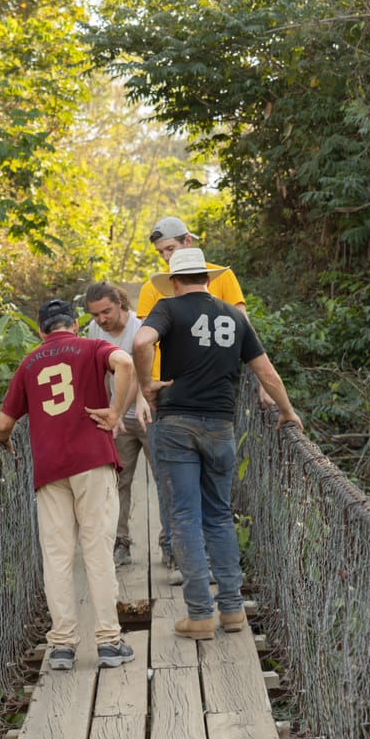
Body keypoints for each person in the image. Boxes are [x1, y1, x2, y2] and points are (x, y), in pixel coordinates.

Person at [133, 248, 303, 640]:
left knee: (185, 517)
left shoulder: (167, 308)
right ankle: (232, 610)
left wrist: (146, 385)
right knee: (220, 515)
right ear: (208, 279)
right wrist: (287, 411)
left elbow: (142, 342)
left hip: (176, 424)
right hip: (221, 426)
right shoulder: (235, 316)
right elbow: (267, 373)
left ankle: (199, 615)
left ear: (174, 282)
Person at [0, 298, 135, 671]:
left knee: (56, 557)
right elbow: (125, 363)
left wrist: (1, 441)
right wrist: (116, 412)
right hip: (93, 462)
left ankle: (63, 646)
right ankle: (109, 641)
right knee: (97, 551)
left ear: (41, 331)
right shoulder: (93, 347)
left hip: (50, 470)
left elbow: (3, 424)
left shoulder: (29, 363)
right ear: (76, 325)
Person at [136, 215, 273, 582]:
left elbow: (245, 330)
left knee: (202, 491)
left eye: (170, 249)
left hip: (212, 393)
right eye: (160, 252)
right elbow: (144, 343)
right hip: (166, 397)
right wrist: (143, 391)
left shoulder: (222, 277)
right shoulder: (153, 287)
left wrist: (263, 382)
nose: (166, 257)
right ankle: (180, 556)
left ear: (188, 241)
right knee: (173, 486)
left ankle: (205, 565)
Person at [85, 281, 153, 568]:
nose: (102, 319)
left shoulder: (141, 328)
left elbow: (139, 374)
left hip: (148, 414)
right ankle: (120, 542)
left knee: (166, 480)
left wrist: (120, 411)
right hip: (117, 418)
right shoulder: (95, 330)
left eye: (106, 312)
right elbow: (98, 373)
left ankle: (171, 547)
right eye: (95, 314)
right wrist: (107, 414)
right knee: (118, 481)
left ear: (120, 304)